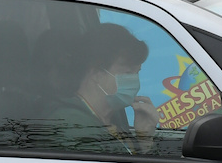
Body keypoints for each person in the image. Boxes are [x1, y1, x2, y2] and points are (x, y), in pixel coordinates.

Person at [48, 23, 159, 154]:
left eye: (137, 72)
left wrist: (145, 141)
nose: (135, 80)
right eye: (128, 73)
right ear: (96, 73)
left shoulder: (112, 121)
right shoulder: (72, 125)